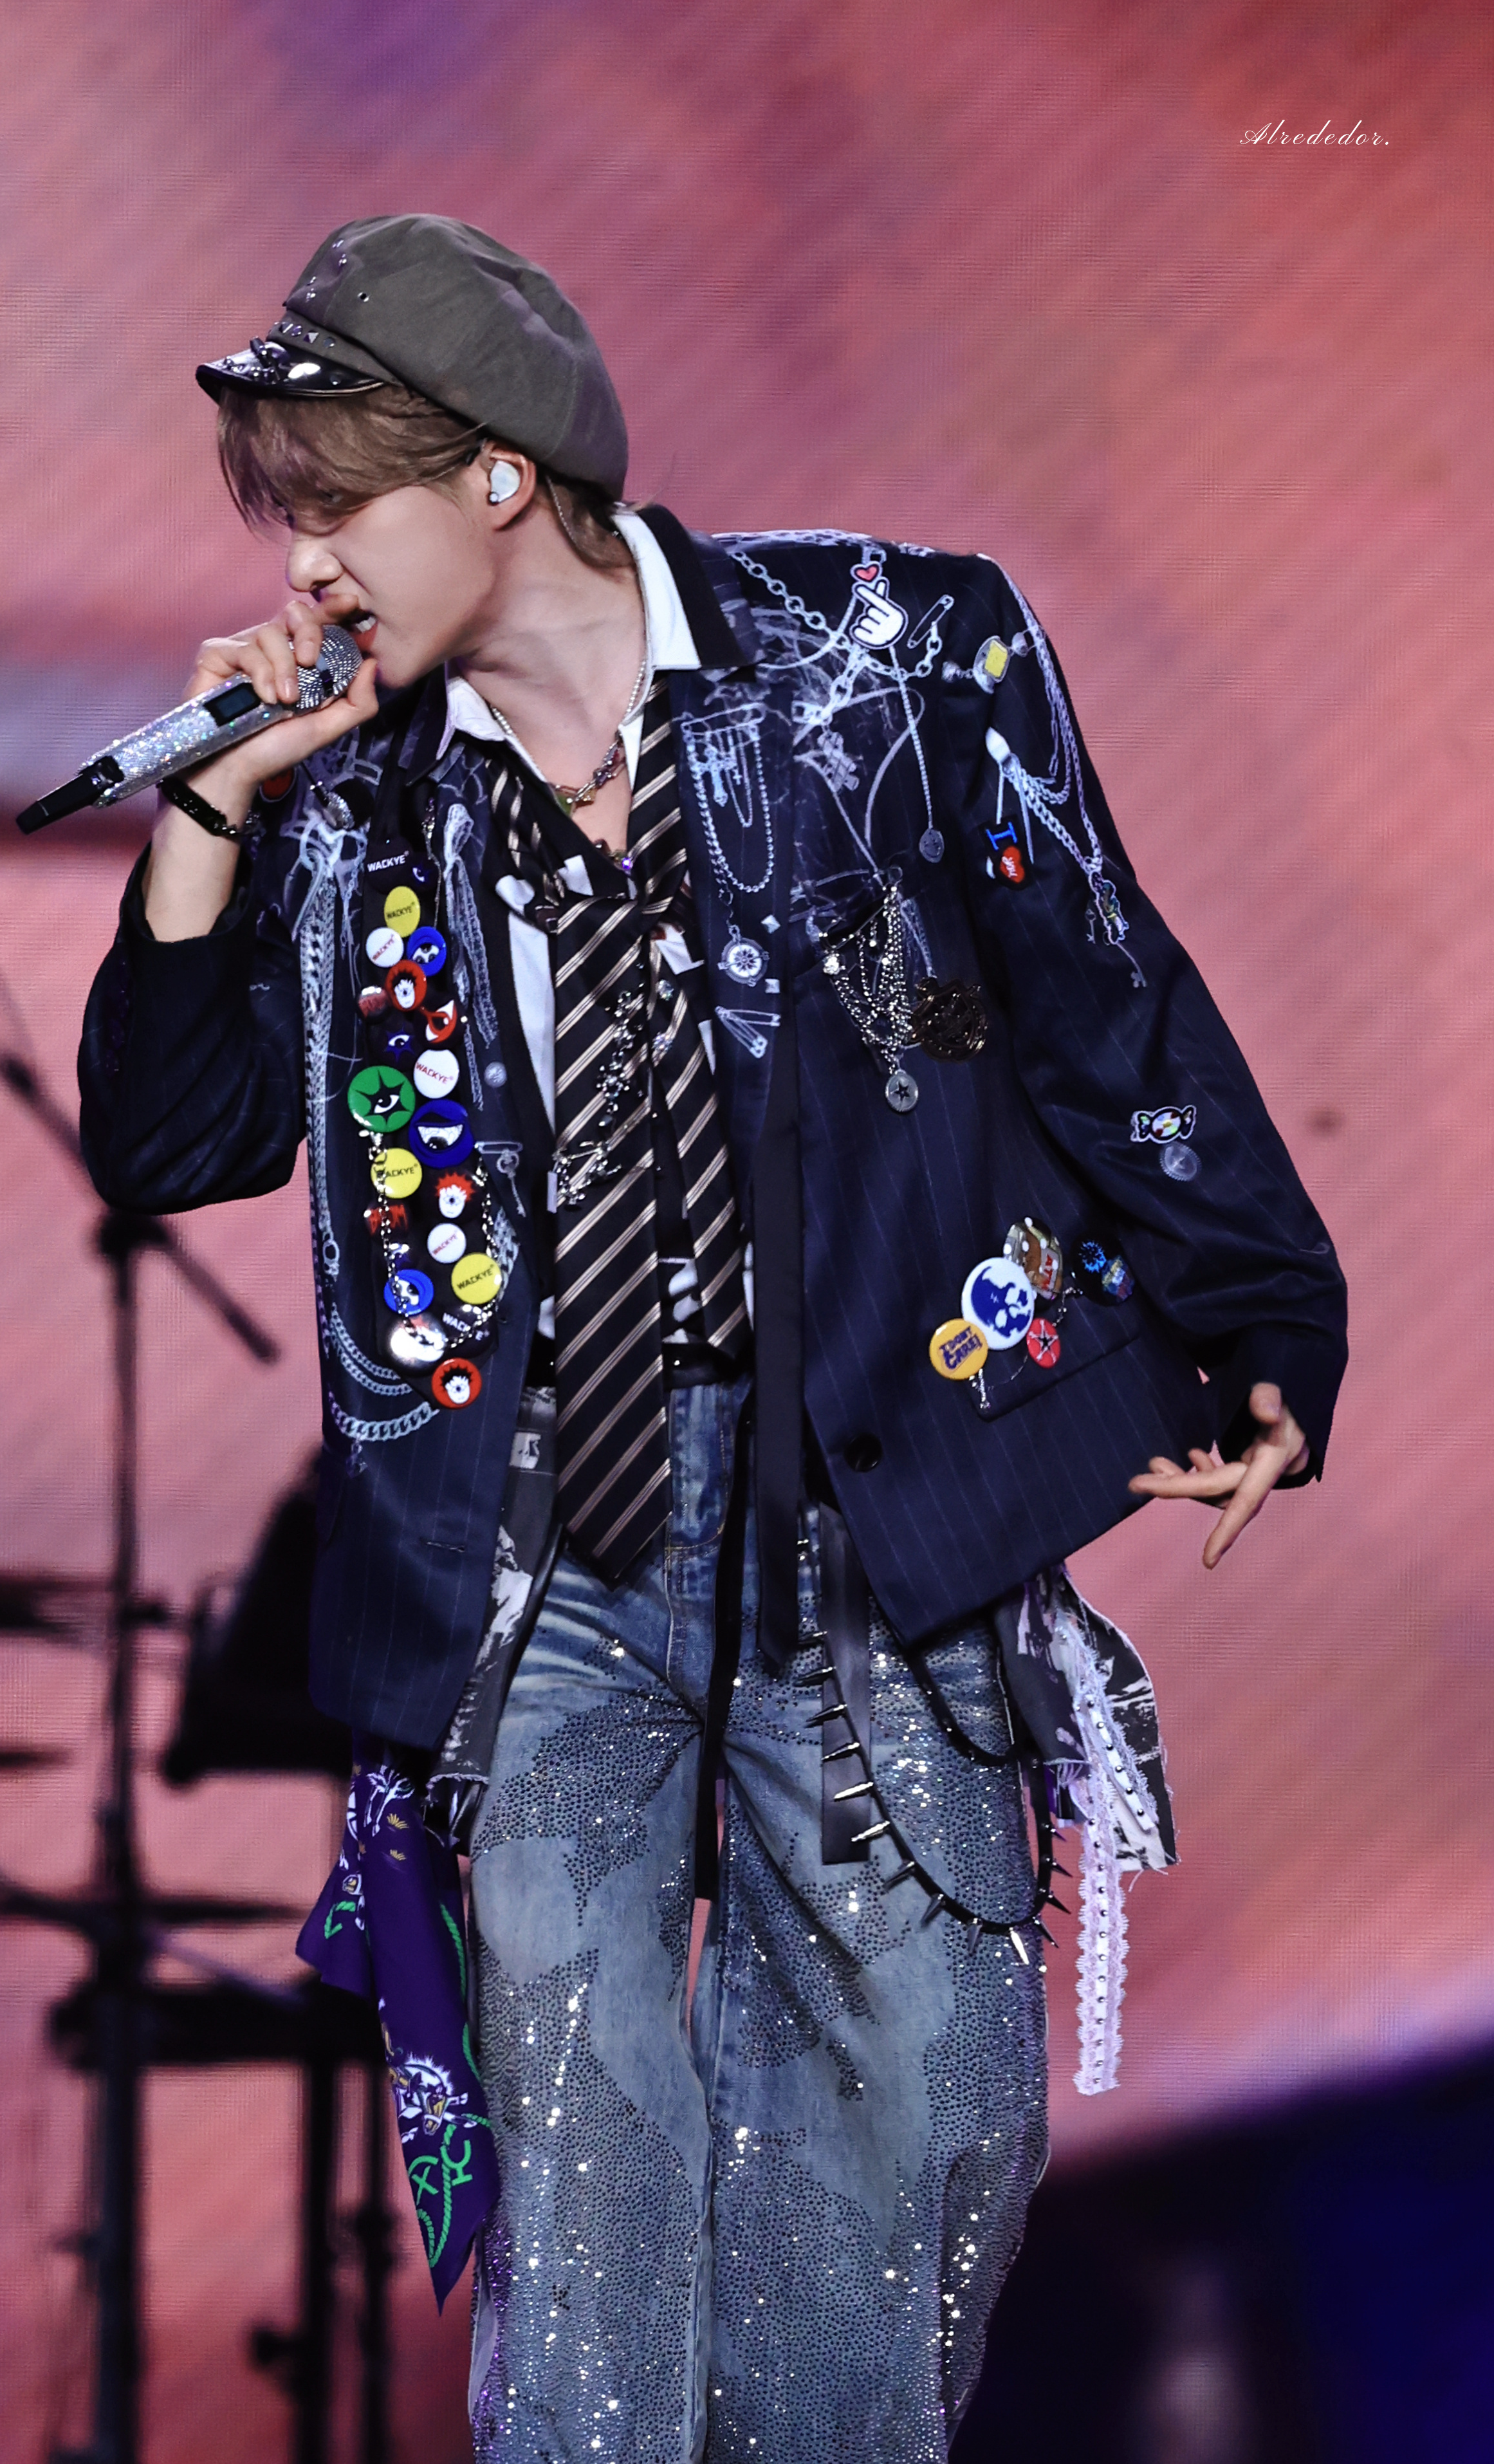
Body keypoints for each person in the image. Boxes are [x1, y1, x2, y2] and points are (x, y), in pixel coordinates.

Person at [77, 214, 1347, 2459]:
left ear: (494, 472)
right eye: (283, 518)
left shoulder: (887, 655)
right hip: (532, 1549)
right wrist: (208, 803)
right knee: (579, 2165)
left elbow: (1099, 988)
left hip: (866, 1498)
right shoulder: (355, 785)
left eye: (336, 504)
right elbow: (177, 1138)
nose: (305, 565)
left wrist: (1256, 1316)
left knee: (907, 2135)